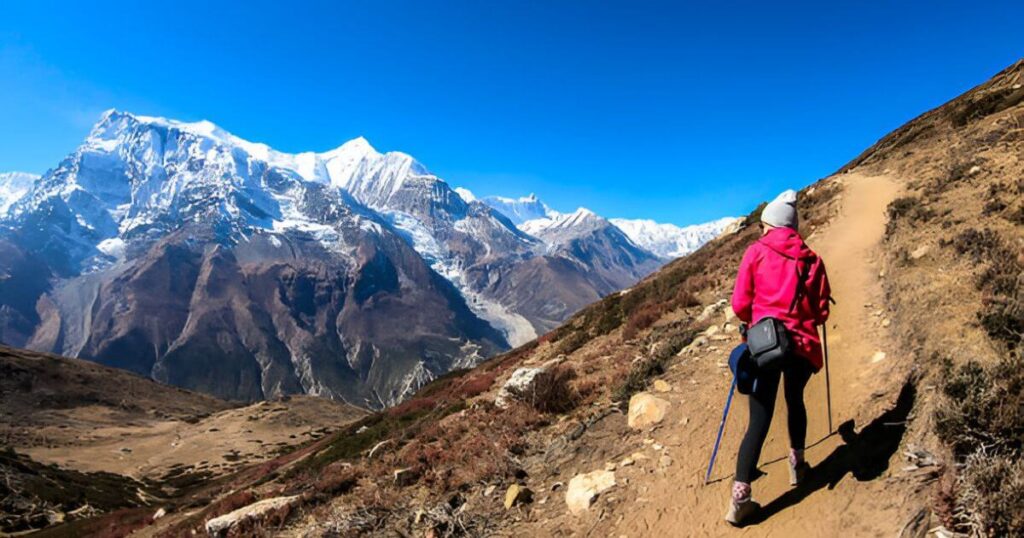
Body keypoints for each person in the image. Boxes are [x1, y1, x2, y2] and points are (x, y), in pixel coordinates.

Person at [725, 189, 831, 526]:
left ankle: (740, 498)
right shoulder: (812, 260)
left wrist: (757, 317)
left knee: (759, 417)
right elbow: (821, 311)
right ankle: (797, 465)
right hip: (800, 344)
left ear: (769, 224)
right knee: (795, 400)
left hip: (766, 345)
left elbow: (740, 304)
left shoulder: (756, 253)